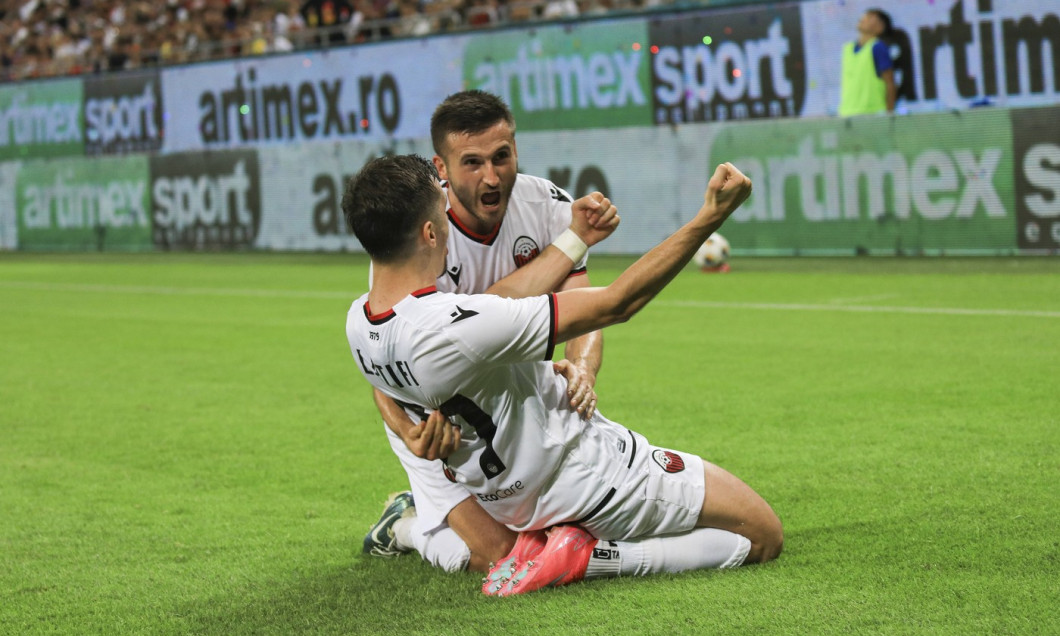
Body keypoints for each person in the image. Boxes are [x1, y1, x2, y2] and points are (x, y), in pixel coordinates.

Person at [343, 154, 782, 596]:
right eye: (443, 215)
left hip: (511, 501)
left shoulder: (359, 323)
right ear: (430, 233)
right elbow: (617, 303)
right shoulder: (457, 324)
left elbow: (393, 385)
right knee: (760, 533)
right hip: (587, 474)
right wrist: (711, 216)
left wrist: (408, 426)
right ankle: (596, 557)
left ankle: (546, 543)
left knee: (489, 552)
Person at [361, 90, 619, 574]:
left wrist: (583, 369)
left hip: (517, 406)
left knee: (557, 530)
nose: (492, 176)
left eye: (502, 156)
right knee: (499, 557)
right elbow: (379, 363)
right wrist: (409, 432)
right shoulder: (415, 232)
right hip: (437, 423)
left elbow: (583, 309)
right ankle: (403, 526)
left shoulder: (548, 207)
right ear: (442, 167)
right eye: (472, 162)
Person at [838, 8, 896, 117]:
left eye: (870, 17)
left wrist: (889, 113)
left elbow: (890, 82)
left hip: (873, 114)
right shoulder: (847, 48)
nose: (863, 18)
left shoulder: (878, 47)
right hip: (847, 113)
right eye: (864, 16)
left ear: (880, 27)